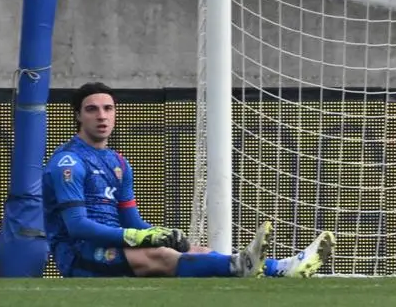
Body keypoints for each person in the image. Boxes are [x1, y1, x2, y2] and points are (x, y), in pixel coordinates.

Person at [42, 82, 336, 278]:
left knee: (195, 249)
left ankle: (283, 268)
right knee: (161, 255)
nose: (102, 116)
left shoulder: (118, 162)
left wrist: (157, 231)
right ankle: (242, 265)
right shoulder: (68, 162)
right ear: (78, 116)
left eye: (108, 108)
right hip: (79, 254)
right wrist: (140, 238)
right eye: (92, 109)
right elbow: (77, 226)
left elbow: (132, 222)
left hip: (116, 246)